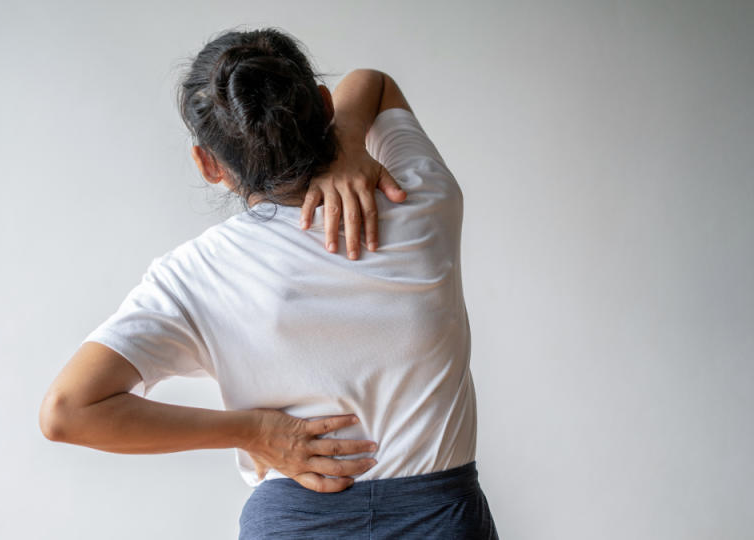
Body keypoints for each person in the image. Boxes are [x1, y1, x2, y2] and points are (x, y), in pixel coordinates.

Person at [39, 26, 499, 539]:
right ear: (324, 106)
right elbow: (375, 83)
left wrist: (255, 432)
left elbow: (68, 411)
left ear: (209, 164)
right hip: (442, 521)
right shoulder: (417, 198)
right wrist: (347, 140)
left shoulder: (197, 274)